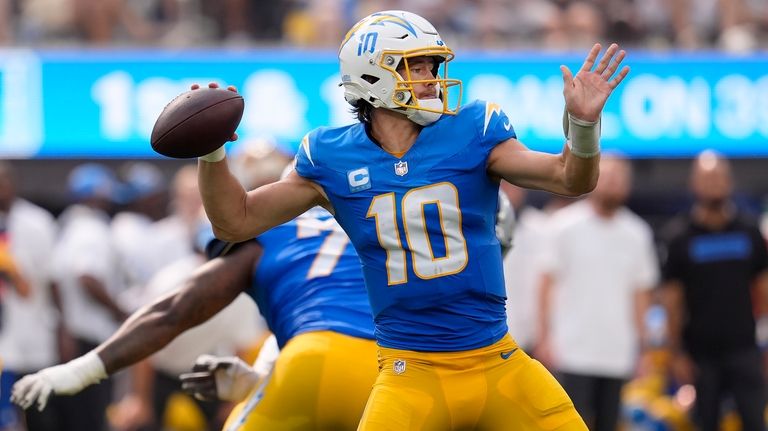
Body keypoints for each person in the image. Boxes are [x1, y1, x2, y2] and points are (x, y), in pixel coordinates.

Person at [191, 9, 629, 430]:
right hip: (409, 371)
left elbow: (570, 179)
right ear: (371, 74)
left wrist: (583, 124)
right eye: (417, 66)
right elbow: (235, 222)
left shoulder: (473, 129)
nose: (432, 79)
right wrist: (211, 153)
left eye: (432, 66)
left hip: (498, 362)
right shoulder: (330, 156)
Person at [11, 204, 379, 430]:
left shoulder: (272, 236)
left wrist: (81, 369)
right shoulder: (383, 231)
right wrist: (253, 381)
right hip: (397, 370)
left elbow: (172, 313)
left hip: (310, 363)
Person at [535, 154, 658, 431]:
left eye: (620, 178)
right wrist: (544, 337)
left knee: (609, 424)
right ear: (595, 177)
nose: (614, 183)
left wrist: (644, 348)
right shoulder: (563, 226)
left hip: (616, 353)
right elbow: (546, 284)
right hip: (572, 350)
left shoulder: (638, 233)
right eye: (609, 176)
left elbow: (641, 295)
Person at [660, 150, 768, 431]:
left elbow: (763, 286)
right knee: (706, 424)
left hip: (744, 348)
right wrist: (676, 353)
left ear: (730, 182)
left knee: (755, 422)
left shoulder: (748, 230)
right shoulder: (679, 236)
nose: (714, 184)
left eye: (719, 177)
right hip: (700, 355)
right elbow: (672, 300)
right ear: (694, 184)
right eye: (707, 178)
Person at [0, 161, 59, 431]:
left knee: (37, 411)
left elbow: (44, 283)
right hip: (5, 337)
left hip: (33, 330)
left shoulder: (36, 222)